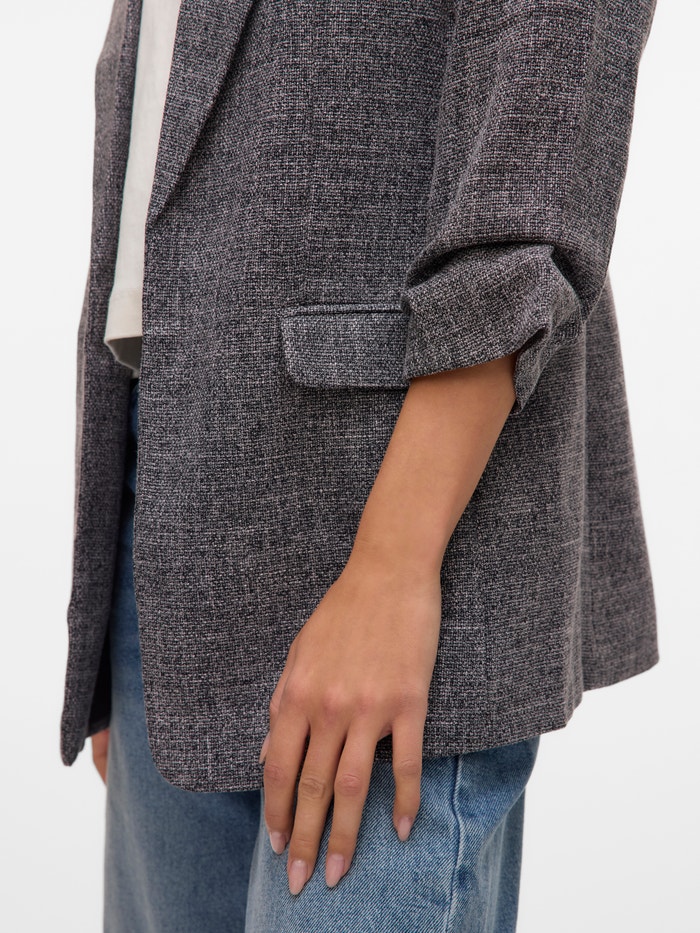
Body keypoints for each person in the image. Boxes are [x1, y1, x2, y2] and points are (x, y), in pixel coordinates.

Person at [60, 1, 660, 930]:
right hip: (170, 505)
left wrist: (395, 558)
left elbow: (548, 93)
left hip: (404, 503)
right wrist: (112, 586)